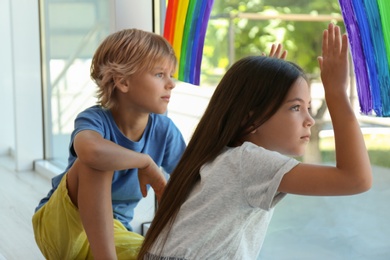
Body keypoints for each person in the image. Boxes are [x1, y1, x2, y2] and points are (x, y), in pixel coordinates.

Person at [137, 23, 372, 259]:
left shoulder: (222, 156)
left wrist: (265, 87)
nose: (309, 119)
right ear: (252, 118)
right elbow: (356, 179)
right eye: (296, 107)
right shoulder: (247, 161)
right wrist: (337, 93)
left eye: (308, 108)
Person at [32, 28, 186, 260]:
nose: (171, 84)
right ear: (123, 82)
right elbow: (91, 152)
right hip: (64, 227)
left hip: (114, 235)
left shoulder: (165, 131)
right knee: (97, 162)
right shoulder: (94, 120)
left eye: (170, 75)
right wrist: (145, 162)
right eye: (159, 74)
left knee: (160, 255)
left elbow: (194, 179)